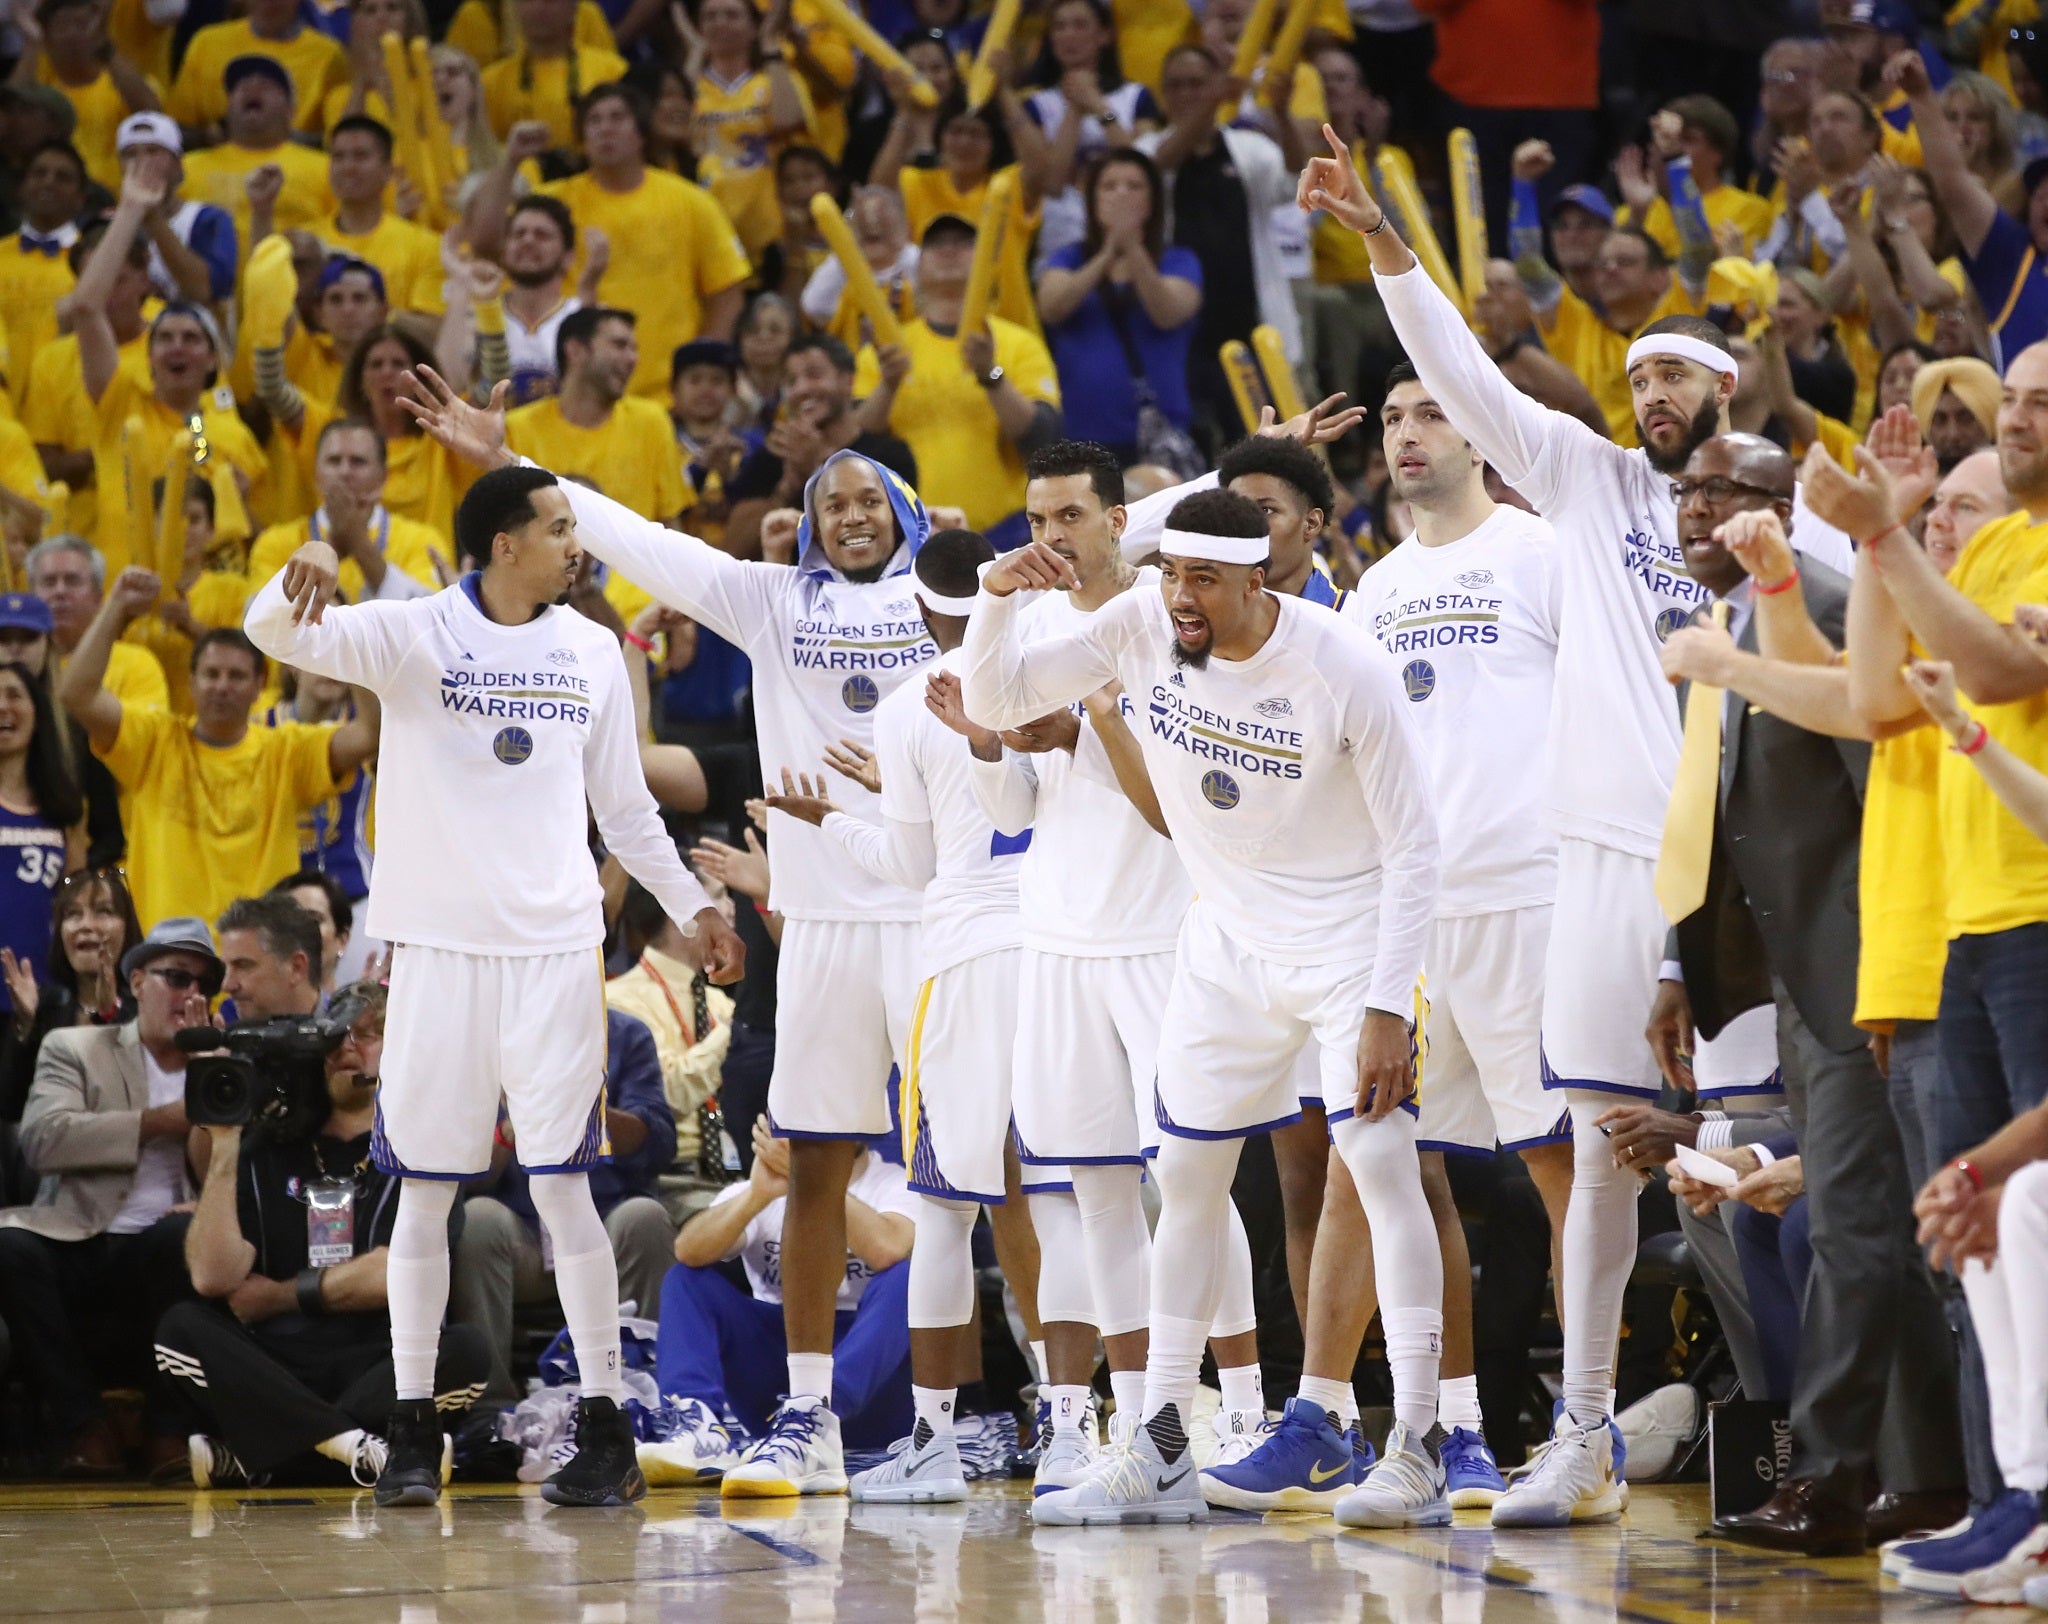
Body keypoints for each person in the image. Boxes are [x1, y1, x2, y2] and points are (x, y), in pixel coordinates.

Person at [1298, 125, 1848, 1529]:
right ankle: (1591, 1433)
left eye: (1680, 374)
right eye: (1641, 374)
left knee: (1759, 1147)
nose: (1654, 392)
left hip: (1760, 867)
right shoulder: (1595, 485)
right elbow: (1472, 384)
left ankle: (1815, 1426)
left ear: (1732, 394)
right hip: (1605, 860)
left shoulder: (1796, 518)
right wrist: (1387, 250)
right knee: (1607, 1145)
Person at [400, 372, 933, 1503]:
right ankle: (807, 1415)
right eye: (829, 499)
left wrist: (1218, 485)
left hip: (938, 913)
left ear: (905, 512)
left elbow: (1102, 539)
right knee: (816, 1170)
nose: (847, 514)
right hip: (827, 926)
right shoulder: (766, 598)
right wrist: (523, 465)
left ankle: (976, 1418)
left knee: (977, 1181)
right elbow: (636, 539)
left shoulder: (956, 596)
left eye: (867, 499)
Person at [242, 462, 742, 1509]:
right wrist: (322, 557)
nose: (577, 544)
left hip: (556, 956)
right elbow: (272, 631)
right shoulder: (412, 631)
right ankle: (415, 1429)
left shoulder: (594, 648)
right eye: (560, 528)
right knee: (425, 1192)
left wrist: (693, 905)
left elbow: (626, 809)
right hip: (437, 955)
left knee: (565, 1189)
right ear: (502, 543)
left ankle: (604, 1424)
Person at [960, 488, 1445, 1528]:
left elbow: (1414, 847)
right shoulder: (1136, 622)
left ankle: (1415, 1443)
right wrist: (995, 597)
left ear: (1254, 581)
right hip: (1222, 940)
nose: (1178, 596)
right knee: (1180, 1175)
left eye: (1203, 581)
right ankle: (1166, 1443)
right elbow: (996, 699)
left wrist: (1384, 1006)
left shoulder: (1337, 664)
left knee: (1381, 1167)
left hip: (1344, 941)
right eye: (1170, 572)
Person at [1205, 362, 1571, 1517]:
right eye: (1397, 417)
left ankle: (1582, 1426)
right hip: (1402, 916)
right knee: (1386, 1166)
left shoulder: (1542, 551)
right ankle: (1366, 1421)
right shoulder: (1371, 595)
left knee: (1570, 1169)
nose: (1408, 434)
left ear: (1488, 433)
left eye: (1434, 413)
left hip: (1526, 897)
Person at [1651, 437, 1961, 1554]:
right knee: (1869, 1228)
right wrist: (1682, 964)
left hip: (1865, 966)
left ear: (1781, 509)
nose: (1693, 509)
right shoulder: (1728, 624)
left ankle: (1829, 1476)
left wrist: (1876, 977)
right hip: (1800, 969)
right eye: (1682, 490)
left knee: (1851, 1230)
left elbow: (1881, 800)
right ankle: (1925, 1478)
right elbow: (1723, 816)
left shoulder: (1822, 602)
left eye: (1719, 490)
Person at [979, 442, 1288, 1498]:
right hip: (1058, 936)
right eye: (1036, 520)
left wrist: (1087, 725)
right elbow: (1011, 802)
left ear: (1120, 521)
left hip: (1165, 933)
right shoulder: (1028, 630)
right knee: (1098, 1191)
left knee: (1193, 1178)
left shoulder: (1176, 623)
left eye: (1070, 515)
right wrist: (1001, 743)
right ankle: (1134, 1426)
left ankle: (1243, 1405)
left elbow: (1177, 800)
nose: (1051, 537)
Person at [1805, 373, 2048, 1585]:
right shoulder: (1997, 543)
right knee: (1980, 1231)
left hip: (2038, 913)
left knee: (2030, 1219)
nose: (2017, 416)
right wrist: (1879, 534)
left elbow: (1997, 677)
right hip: (1972, 924)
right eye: (2012, 396)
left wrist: (1887, 535)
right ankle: (2012, 1499)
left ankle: (2027, 1498)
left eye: (2044, 402)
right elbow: (1872, 693)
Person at [762, 528, 1031, 1502]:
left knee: (945, 1205)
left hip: (962, 957)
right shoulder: (1051, 671)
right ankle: (1092, 1424)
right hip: (1063, 950)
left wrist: (830, 819)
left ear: (917, 611)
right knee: (1073, 1199)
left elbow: (913, 867)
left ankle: (931, 1442)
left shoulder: (913, 703)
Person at [159, 960, 493, 1490]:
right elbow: (212, 1276)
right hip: (278, 1359)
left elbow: (397, 1274)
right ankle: (355, 1449)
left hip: (378, 1357)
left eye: (371, 1034)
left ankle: (262, 1456)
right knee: (180, 1329)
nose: (348, 1047)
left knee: (468, 1351)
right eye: (338, 1036)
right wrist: (224, 1146)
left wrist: (280, 1296)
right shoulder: (267, 1145)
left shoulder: (425, 1151)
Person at [0, 916, 217, 1475]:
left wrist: (211, 1092)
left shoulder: (224, 1067)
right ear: (138, 979)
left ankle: (168, 1432)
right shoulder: (76, 1046)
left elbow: (235, 1175)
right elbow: (43, 1140)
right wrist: (159, 1121)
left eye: (202, 985)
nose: (190, 994)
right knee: (10, 1245)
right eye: (177, 977)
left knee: (181, 1237)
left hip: (167, 1241)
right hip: (81, 1233)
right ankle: (84, 1428)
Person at [60, 568, 379, 930]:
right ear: (191, 682)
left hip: (263, 960)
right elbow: (76, 694)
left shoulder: (286, 752)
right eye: (211, 674)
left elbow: (369, 733)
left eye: (236, 676)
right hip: (167, 959)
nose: (222, 686)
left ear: (260, 684)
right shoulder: (153, 742)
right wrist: (116, 608)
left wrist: (350, 632)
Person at [639, 1117, 914, 1482]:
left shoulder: (896, 1183)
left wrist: (816, 1180)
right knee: (687, 1280)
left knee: (908, 1278)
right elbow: (687, 1251)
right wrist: (758, 1195)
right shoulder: (760, 1187)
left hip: (875, 1387)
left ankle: (817, 1413)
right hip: (777, 1382)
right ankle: (698, 1427)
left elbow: (888, 1249)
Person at [451, 1006, 677, 1402]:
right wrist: (509, 1131)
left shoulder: (625, 1033)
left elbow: (659, 1143)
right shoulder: (481, 1039)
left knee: (645, 1217)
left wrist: (588, 1112)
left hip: (607, 1229)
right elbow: (464, 1178)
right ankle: (489, 1405)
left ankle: (641, 1395)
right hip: (521, 1238)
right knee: (477, 1220)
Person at [851, 212, 1063, 546]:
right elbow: (856, 444)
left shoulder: (1019, 343)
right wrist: (888, 384)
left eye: (963, 244)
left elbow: (1044, 441)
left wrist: (990, 375)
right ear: (917, 265)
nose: (949, 251)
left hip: (1007, 533)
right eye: (935, 244)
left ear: (985, 262)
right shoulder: (885, 351)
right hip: (911, 535)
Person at [1136, 45, 1299, 444]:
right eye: (1176, 85)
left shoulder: (1248, 148)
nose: (1187, 94)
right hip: (1182, 331)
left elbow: (1295, 178)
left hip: (1251, 321)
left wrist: (1280, 113)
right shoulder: (1147, 152)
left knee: (1267, 442)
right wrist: (1213, 102)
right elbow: (1156, 171)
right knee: (1194, 445)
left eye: (1197, 84)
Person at [1038, 149, 1202, 468]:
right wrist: (1108, 253)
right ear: (1092, 200)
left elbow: (1167, 313)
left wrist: (1133, 248)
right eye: (1109, 186)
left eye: (1134, 186)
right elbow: (1051, 307)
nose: (1121, 194)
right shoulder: (1068, 260)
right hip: (1081, 435)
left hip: (1158, 436)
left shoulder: (1178, 260)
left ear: (1153, 201)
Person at [724, 332, 918, 560]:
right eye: (791, 381)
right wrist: (789, 486)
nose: (801, 389)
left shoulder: (888, 456)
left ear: (848, 380)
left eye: (814, 375)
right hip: (786, 591)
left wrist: (819, 473)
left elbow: (890, 547)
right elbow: (733, 551)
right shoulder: (771, 456)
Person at [504, 308, 686, 532]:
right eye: (620, 345)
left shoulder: (651, 421)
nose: (633, 359)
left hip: (628, 568)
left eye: (634, 349)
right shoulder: (518, 428)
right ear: (576, 351)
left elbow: (670, 523)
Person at [606, 879, 734, 1171]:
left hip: (737, 1168)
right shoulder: (619, 1001)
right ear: (682, 911)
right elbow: (664, 1098)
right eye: (719, 896)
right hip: (668, 1176)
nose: (731, 909)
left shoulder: (721, 1004)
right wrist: (729, 1034)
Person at [0, 867, 140, 1126]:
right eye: (73, 914)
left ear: (127, 926)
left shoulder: (147, 1005)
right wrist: (25, 1025)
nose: (86, 925)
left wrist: (110, 1015)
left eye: (104, 911)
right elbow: (10, 1108)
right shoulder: (47, 1006)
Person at [177, 58, 336, 258]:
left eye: (266, 86)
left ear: (291, 111)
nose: (251, 88)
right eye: (241, 86)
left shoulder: (326, 168)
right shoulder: (186, 167)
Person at [0, 656, 83, 1016]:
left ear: (37, 712)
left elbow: (75, 905)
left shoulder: (63, 810)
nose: (3, 706)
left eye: (14, 695)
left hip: (45, 997)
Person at [318, 116, 446, 333]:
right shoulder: (308, 242)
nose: (348, 167)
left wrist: (381, 313)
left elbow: (436, 333)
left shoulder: (426, 246)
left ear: (388, 170)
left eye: (361, 156)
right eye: (338, 157)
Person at [166, 0, 346, 137]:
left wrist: (279, 139)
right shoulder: (207, 43)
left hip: (295, 165)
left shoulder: (328, 54)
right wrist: (214, 135)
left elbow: (337, 135)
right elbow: (179, 126)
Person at [492, 197, 602, 407]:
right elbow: (450, 378)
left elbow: (596, 391)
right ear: (504, 251)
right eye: (518, 234)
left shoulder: (587, 311)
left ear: (568, 257)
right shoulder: (479, 314)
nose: (528, 241)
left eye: (542, 235)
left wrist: (589, 293)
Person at [477, 0, 627, 153]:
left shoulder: (613, 71)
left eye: (550, 1)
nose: (538, 8)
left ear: (573, 9)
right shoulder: (490, 82)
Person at [268, 870, 354, 998]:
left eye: (314, 919)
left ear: (342, 939)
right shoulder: (240, 1010)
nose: (300, 929)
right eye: (288, 919)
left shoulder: (364, 1013)